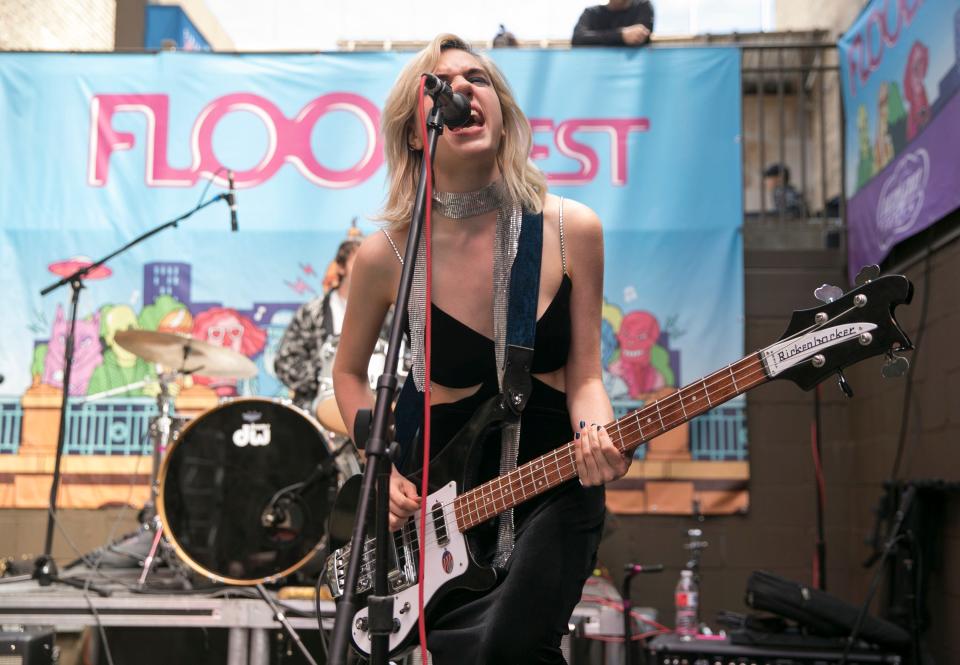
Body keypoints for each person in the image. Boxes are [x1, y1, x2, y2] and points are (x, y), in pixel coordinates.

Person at [332, 34, 631, 664]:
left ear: (502, 111)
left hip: (555, 482)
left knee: (509, 647)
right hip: (442, 503)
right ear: (416, 132)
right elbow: (351, 374)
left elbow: (585, 376)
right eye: (440, 86)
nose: (463, 90)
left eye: (479, 79)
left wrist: (598, 431)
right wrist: (375, 463)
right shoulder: (386, 255)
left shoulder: (571, 229)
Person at [275, 238, 361, 409]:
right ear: (341, 267)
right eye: (357, 262)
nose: (364, 270)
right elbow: (285, 363)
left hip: (369, 414)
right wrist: (323, 373)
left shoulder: (385, 315)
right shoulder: (313, 312)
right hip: (318, 411)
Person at [572, 0, 654, 47]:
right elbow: (578, 38)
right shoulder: (591, 12)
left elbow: (640, 35)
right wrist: (621, 36)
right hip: (598, 67)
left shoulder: (643, 6)